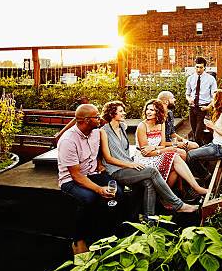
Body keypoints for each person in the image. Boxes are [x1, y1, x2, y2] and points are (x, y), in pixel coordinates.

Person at [99, 100, 199, 217]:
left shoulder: (122, 127)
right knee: (152, 171)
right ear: (112, 114)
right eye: (121, 111)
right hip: (115, 170)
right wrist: (131, 164)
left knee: (149, 182)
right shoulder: (104, 131)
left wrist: (132, 162)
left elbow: (126, 151)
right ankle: (178, 205)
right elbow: (108, 158)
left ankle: (149, 219)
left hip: (127, 165)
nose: (124, 113)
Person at [57, 104, 123, 254]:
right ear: (86, 120)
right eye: (96, 117)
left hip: (93, 173)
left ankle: (107, 234)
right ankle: (78, 240)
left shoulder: (96, 133)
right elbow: (76, 175)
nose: (100, 119)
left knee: (118, 192)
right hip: (71, 180)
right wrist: (99, 189)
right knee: (89, 197)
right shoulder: (68, 140)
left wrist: (99, 163)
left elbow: (98, 150)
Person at [135, 99, 208, 194]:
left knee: (176, 166)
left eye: (152, 110)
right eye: (147, 109)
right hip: (145, 159)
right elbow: (146, 153)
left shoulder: (161, 123)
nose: (148, 112)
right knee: (176, 157)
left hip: (156, 153)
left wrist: (154, 147)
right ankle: (194, 188)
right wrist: (167, 149)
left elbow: (162, 145)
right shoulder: (142, 126)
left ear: (158, 112)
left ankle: (169, 194)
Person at [187, 89, 222, 163]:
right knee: (192, 150)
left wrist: (213, 126)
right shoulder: (221, 112)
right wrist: (211, 127)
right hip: (216, 144)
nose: (212, 101)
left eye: (214, 98)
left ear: (219, 101)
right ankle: (202, 173)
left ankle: (203, 174)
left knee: (190, 155)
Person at [185, 56, 217, 146]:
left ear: (205, 67)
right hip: (192, 108)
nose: (198, 69)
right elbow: (187, 94)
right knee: (194, 130)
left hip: (203, 108)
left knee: (198, 133)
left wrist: (208, 107)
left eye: (201, 67)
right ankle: (200, 149)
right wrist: (189, 99)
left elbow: (214, 96)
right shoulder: (190, 78)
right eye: (197, 67)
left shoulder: (210, 79)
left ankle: (198, 151)